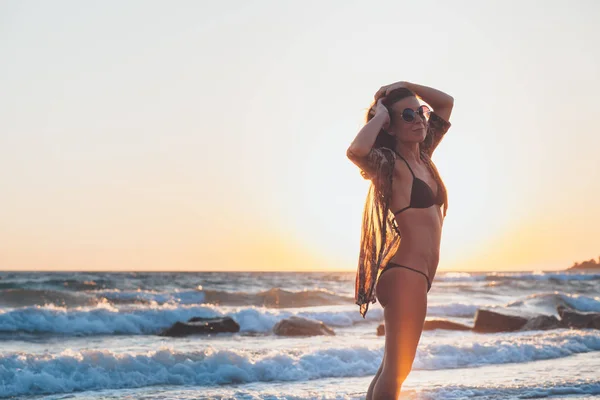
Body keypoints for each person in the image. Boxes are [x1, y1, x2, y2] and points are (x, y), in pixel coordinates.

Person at [346, 81, 453, 399]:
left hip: (416, 278)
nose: (419, 118)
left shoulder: (423, 156)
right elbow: (356, 151)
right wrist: (379, 115)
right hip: (405, 274)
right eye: (407, 115)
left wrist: (407, 85)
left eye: (420, 111)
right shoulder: (390, 165)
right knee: (398, 371)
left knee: (390, 369)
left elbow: (445, 104)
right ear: (390, 126)